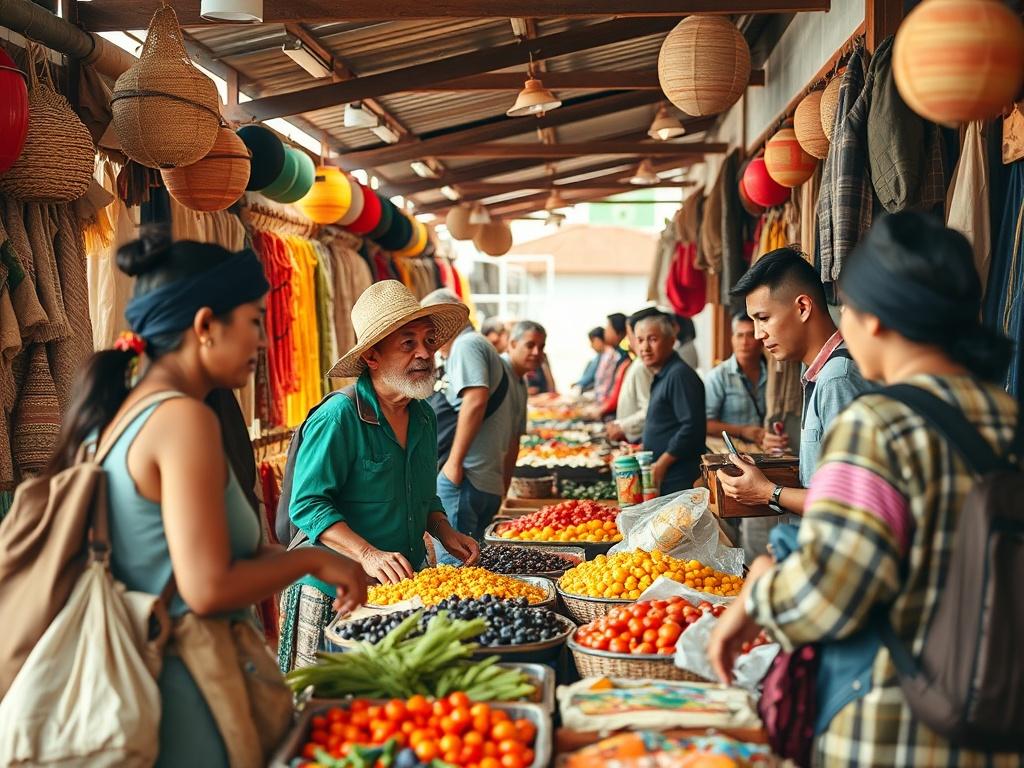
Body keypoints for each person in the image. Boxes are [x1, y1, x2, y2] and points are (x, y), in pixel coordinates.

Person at [42, 231, 367, 766]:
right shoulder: (182, 419)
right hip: (185, 698)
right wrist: (311, 558)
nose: (265, 342)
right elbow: (208, 586)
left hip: (159, 685)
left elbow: (201, 554)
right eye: (255, 322)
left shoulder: (127, 415)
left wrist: (319, 562)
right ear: (204, 327)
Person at [708, 213, 1020, 767]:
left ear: (876, 318)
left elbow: (829, 593)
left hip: (895, 724)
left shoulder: (879, 424)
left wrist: (756, 597)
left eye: (848, 307)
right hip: (989, 713)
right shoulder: (1006, 417)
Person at [282, 281, 479, 669]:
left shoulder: (422, 414)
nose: (425, 353)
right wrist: (367, 554)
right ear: (372, 356)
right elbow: (306, 504)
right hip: (331, 588)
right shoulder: (339, 417)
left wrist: (444, 529)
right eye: (408, 344)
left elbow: (421, 493)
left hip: (399, 588)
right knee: (320, 710)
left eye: (427, 341)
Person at [717, 248, 868, 528]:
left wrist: (767, 492)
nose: (758, 334)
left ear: (802, 307)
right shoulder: (816, 371)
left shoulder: (837, 379)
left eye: (763, 318)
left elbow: (852, 502)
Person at [422, 289, 515, 561]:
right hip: (482, 478)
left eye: (430, 324)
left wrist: (453, 464)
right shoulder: (482, 347)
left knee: (456, 570)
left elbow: (475, 400)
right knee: (474, 568)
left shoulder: (466, 344)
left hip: (465, 478)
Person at [637, 312, 706, 494]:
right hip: (666, 475)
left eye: (652, 339)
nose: (645, 347)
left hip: (679, 477)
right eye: (640, 340)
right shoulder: (663, 374)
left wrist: (662, 462)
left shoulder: (679, 375)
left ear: (671, 340)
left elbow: (692, 428)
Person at [705, 314, 767, 445]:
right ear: (732, 339)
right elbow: (705, 424)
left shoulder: (774, 374)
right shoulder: (718, 376)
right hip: (731, 455)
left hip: (769, 453)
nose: (744, 342)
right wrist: (742, 431)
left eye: (750, 335)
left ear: (760, 338)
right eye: (739, 335)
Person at [501, 321, 547, 492]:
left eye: (541, 347)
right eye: (530, 345)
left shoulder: (521, 379)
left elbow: (514, 438)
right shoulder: (499, 372)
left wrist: (504, 489)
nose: (537, 352)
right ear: (512, 344)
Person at [607, 308, 658, 443]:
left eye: (629, 335)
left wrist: (622, 426)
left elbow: (648, 411)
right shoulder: (637, 363)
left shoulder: (642, 366)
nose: (628, 341)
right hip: (630, 437)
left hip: (638, 439)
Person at [594, 313, 629, 402]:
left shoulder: (621, 356)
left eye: (608, 328)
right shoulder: (614, 353)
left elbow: (615, 388)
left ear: (619, 333)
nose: (605, 332)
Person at [575, 327, 606, 392]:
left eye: (592, 342)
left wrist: (577, 384)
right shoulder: (599, 357)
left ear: (598, 340)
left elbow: (588, 378)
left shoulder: (606, 357)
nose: (591, 346)